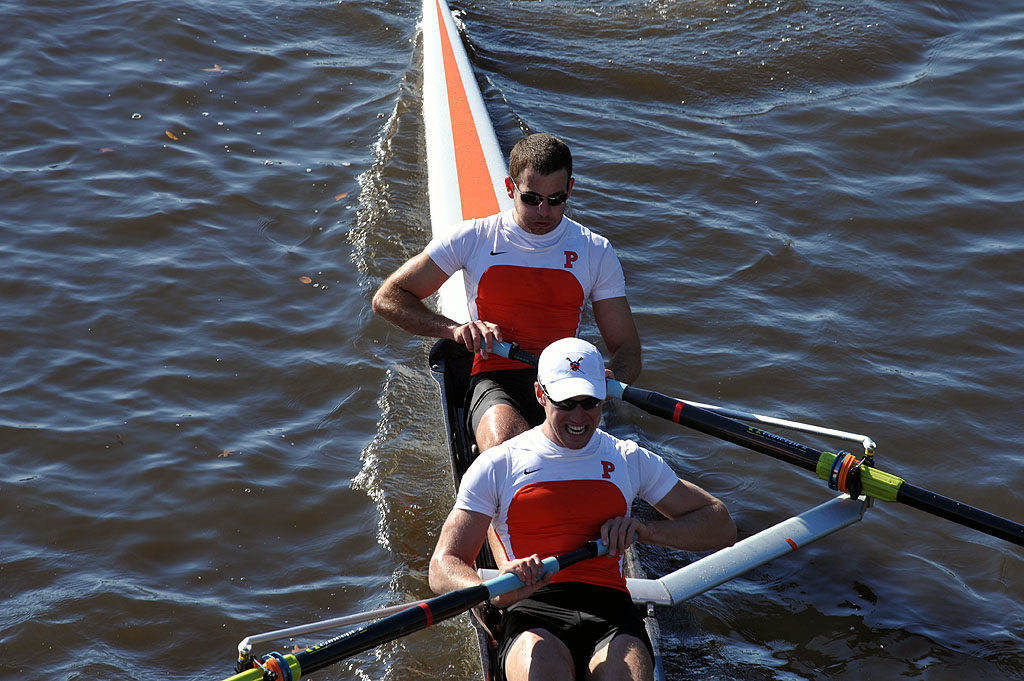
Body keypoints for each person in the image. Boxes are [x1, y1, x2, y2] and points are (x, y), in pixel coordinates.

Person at [428, 337, 737, 681]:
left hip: (612, 610)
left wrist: (644, 531)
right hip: (532, 609)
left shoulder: (628, 458)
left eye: (589, 402)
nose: (579, 417)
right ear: (540, 396)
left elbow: (721, 524)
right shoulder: (499, 464)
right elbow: (443, 566)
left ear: (604, 396)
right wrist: (492, 591)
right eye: (565, 403)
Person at [371, 132, 641, 452]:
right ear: (510, 188)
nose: (543, 211)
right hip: (495, 377)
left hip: (564, 383)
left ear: (570, 189)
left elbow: (627, 349)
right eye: (531, 199)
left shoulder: (595, 250)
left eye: (556, 200)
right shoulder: (474, 238)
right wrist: (456, 330)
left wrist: (611, 377)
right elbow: (388, 298)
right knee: (507, 446)